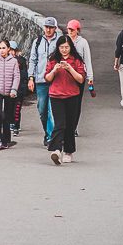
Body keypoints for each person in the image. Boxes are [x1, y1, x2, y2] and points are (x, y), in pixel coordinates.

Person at [45, 34, 86, 163]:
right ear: (58, 48)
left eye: (66, 47)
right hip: (56, 95)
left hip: (72, 95)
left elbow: (80, 79)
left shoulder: (76, 60)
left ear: (71, 47)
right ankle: (56, 150)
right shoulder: (53, 60)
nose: (64, 50)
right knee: (60, 123)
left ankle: (68, 151)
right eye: (61, 47)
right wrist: (55, 70)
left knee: (70, 125)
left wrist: (70, 69)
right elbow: (47, 78)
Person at [27, 16, 59, 145]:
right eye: (46, 27)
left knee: (52, 110)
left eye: (51, 27)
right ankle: (47, 132)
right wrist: (31, 78)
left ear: (55, 28)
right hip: (40, 80)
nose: (48, 30)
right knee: (42, 109)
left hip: (55, 80)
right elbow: (33, 60)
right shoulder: (38, 41)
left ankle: (51, 136)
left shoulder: (59, 42)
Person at [0, 39, 20, 149]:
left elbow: (16, 76)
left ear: (8, 49)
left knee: (7, 116)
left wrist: (14, 89)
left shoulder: (14, 61)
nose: (2, 50)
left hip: (10, 93)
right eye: (0, 48)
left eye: (4, 48)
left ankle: (6, 139)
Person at [65, 18, 94, 132]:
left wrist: (90, 77)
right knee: (66, 102)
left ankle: (73, 127)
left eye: (72, 30)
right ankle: (67, 125)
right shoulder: (65, 41)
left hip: (79, 75)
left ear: (77, 30)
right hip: (66, 76)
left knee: (76, 103)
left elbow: (87, 60)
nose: (70, 32)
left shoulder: (83, 42)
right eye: (69, 29)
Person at [9, 40, 28, 136]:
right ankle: (11, 123)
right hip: (9, 89)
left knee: (17, 108)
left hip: (19, 89)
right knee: (10, 107)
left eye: (13, 50)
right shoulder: (4, 61)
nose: (11, 52)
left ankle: (16, 126)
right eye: (10, 50)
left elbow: (24, 76)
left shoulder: (21, 61)